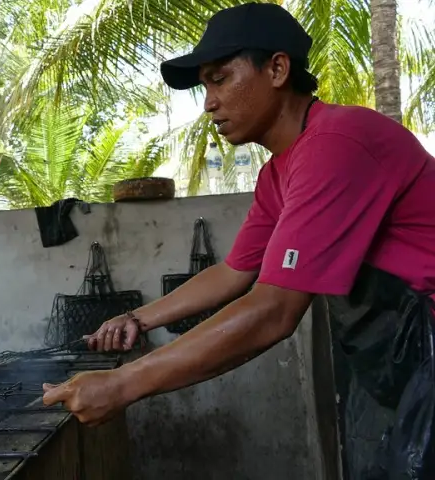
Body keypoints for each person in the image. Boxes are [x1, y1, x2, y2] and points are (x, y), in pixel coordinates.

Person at [42, 2, 435, 478]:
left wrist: (123, 385)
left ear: (277, 68)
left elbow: (273, 311)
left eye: (220, 78)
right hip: (398, 360)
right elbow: (233, 273)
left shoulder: (337, 141)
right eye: (205, 85)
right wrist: (135, 318)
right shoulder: (278, 174)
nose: (208, 101)